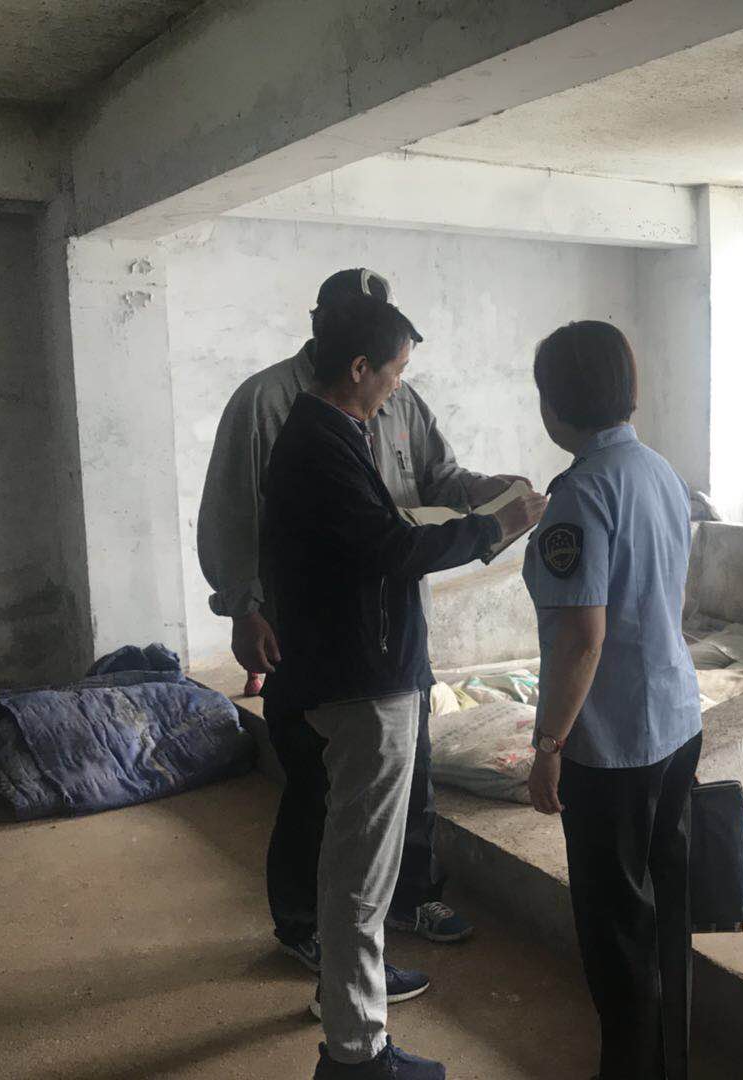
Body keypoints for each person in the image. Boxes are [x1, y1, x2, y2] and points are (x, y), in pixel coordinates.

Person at [198, 268, 526, 968]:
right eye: (386, 355)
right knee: (319, 786)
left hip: (392, 631)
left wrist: (489, 493)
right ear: (337, 336)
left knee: (409, 769)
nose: (395, 375)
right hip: (315, 631)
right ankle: (307, 926)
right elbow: (235, 515)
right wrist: (244, 609)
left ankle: (408, 896)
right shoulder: (273, 404)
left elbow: (438, 479)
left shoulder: (396, 395)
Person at [263, 293, 547, 1079]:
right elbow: (389, 549)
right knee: (361, 878)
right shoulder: (321, 441)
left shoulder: (329, 432)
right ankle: (357, 1056)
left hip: (352, 668)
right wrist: (495, 529)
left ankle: (352, 1029)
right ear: (359, 368)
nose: (399, 385)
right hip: (362, 682)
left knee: (352, 866)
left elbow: (382, 533)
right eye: (395, 370)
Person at [522, 321, 704, 1080]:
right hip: (675, 720)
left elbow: (581, 640)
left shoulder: (579, 495)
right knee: (665, 917)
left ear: (558, 402)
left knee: (617, 932)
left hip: (614, 745)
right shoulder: (659, 470)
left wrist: (548, 747)